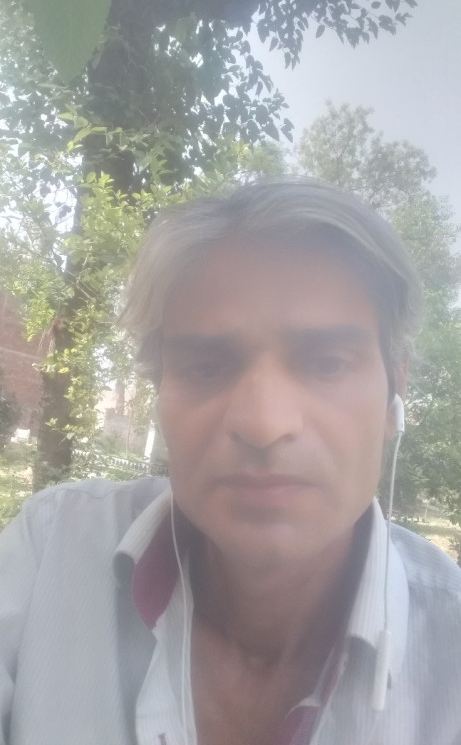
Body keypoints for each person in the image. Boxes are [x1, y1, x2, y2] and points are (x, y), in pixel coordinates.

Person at [1, 178, 460, 745]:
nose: (264, 424)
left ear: (396, 392)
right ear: (160, 391)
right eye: (206, 366)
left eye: (328, 363)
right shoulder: (50, 553)